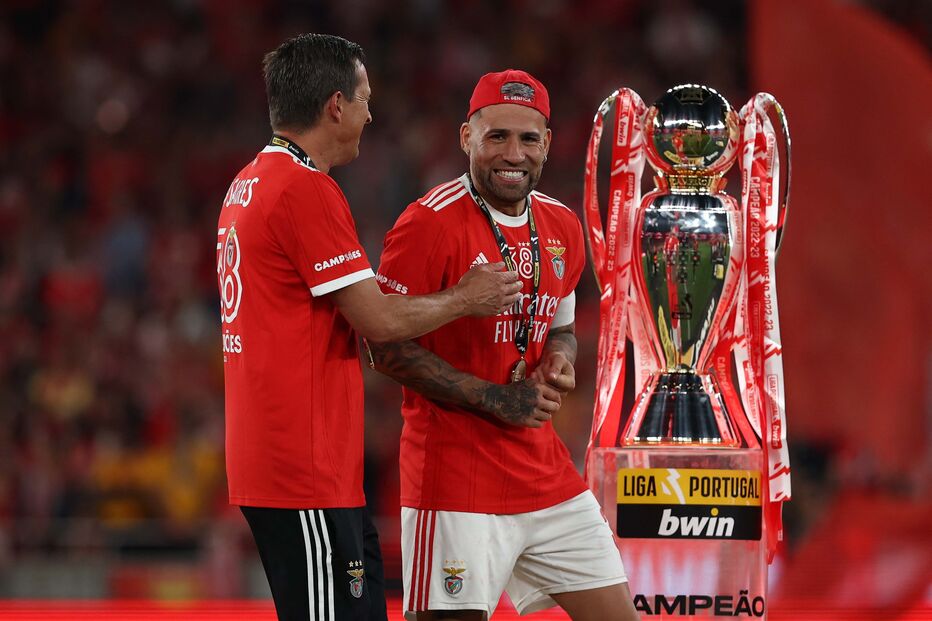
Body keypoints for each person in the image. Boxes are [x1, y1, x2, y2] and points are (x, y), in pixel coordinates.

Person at [216, 35, 522, 621]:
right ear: (335, 106)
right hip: (300, 467)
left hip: (304, 464)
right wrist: (466, 297)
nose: (370, 114)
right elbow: (378, 320)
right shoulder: (303, 189)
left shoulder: (249, 182)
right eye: (364, 99)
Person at [369, 70, 640, 621]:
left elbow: (560, 327)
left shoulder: (561, 225)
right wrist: (493, 398)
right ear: (466, 137)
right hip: (455, 479)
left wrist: (559, 362)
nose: (512, 153)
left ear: (548, 144)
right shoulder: (429, 224)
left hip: (544, 474)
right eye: (497, 136)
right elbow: (384, 347)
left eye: (527, 138)